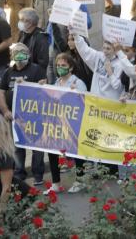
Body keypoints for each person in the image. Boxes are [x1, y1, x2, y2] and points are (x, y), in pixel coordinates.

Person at [0, 43, 46, 185]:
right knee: (18, 147)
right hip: (15, 117)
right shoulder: (8, 72)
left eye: (22, 51)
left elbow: (43, 90)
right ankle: (19, 174)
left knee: (37, 146)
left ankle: (38, 175)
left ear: (28, 54)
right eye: (16, 52)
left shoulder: (36, 70)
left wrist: (26, 84)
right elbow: (1, 93)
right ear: (12, 56)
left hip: (34, 116)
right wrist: (5, 111)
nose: (19, 54)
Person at [48, 52, 88, 193]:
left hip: (73, 124)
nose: (60, 68)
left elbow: (85, 102)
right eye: (58, 65)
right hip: (58, 123)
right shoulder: (56, 83)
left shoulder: (78, 83)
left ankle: (80, 180)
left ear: (70, 67)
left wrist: (75, 94)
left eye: (63, 65)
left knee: (76, 151)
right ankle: (56, 183)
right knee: (51, 150)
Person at [73, 34, 127, 100]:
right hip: (94, 100)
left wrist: (110, 73)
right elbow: (85, 51)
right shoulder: (99, 56)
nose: (105, 51)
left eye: (108, 48)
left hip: (109, 102)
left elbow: (117, 86)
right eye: (104, 48)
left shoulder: (120, 64)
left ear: (115, 50)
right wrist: (76, 36)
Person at [16, 8, 50, 77]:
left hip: (34, 75)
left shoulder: (41, 38)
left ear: (30, 22)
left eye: (22, 20)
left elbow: (43, 62)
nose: (19, 22)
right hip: (22, 72)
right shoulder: (22, 33)